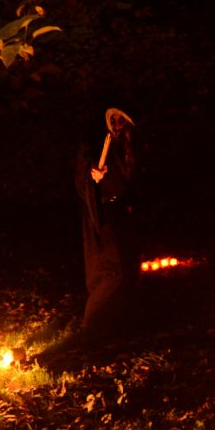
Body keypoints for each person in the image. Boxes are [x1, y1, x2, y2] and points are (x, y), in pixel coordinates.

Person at [74, 107, 141, 343]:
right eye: (114, 119)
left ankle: (116, 322)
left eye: (122, 120)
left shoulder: (124, 146)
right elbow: (85, 175)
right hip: (101, 215)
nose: (118, 124)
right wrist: (94, 176)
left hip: (119, 211)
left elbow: (126, 180)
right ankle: (91, 326)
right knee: (111, 270)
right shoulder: (94, 144)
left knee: (128, 266)